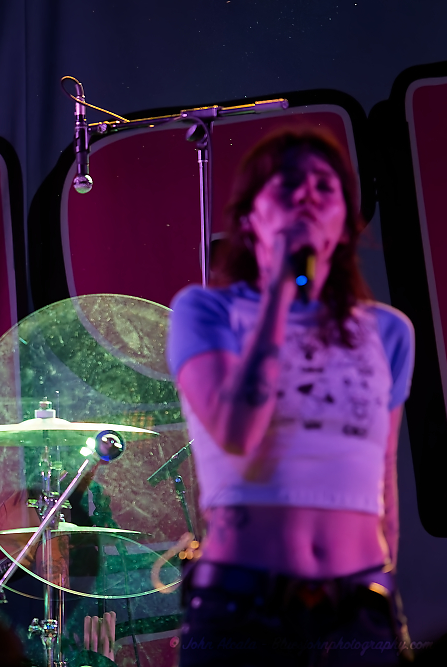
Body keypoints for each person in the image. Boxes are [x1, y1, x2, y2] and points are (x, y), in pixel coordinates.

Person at [166, 128, 414, 665]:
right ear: (250, 219)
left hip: (358, 604)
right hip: (242, 604)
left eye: (325, 186)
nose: (307, 194)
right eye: (287, 184)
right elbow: (236, 432)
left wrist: (389, 590)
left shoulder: (389, 332)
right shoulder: (206, 312)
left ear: (346, 224)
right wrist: (280, 290)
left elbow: (383, 482)